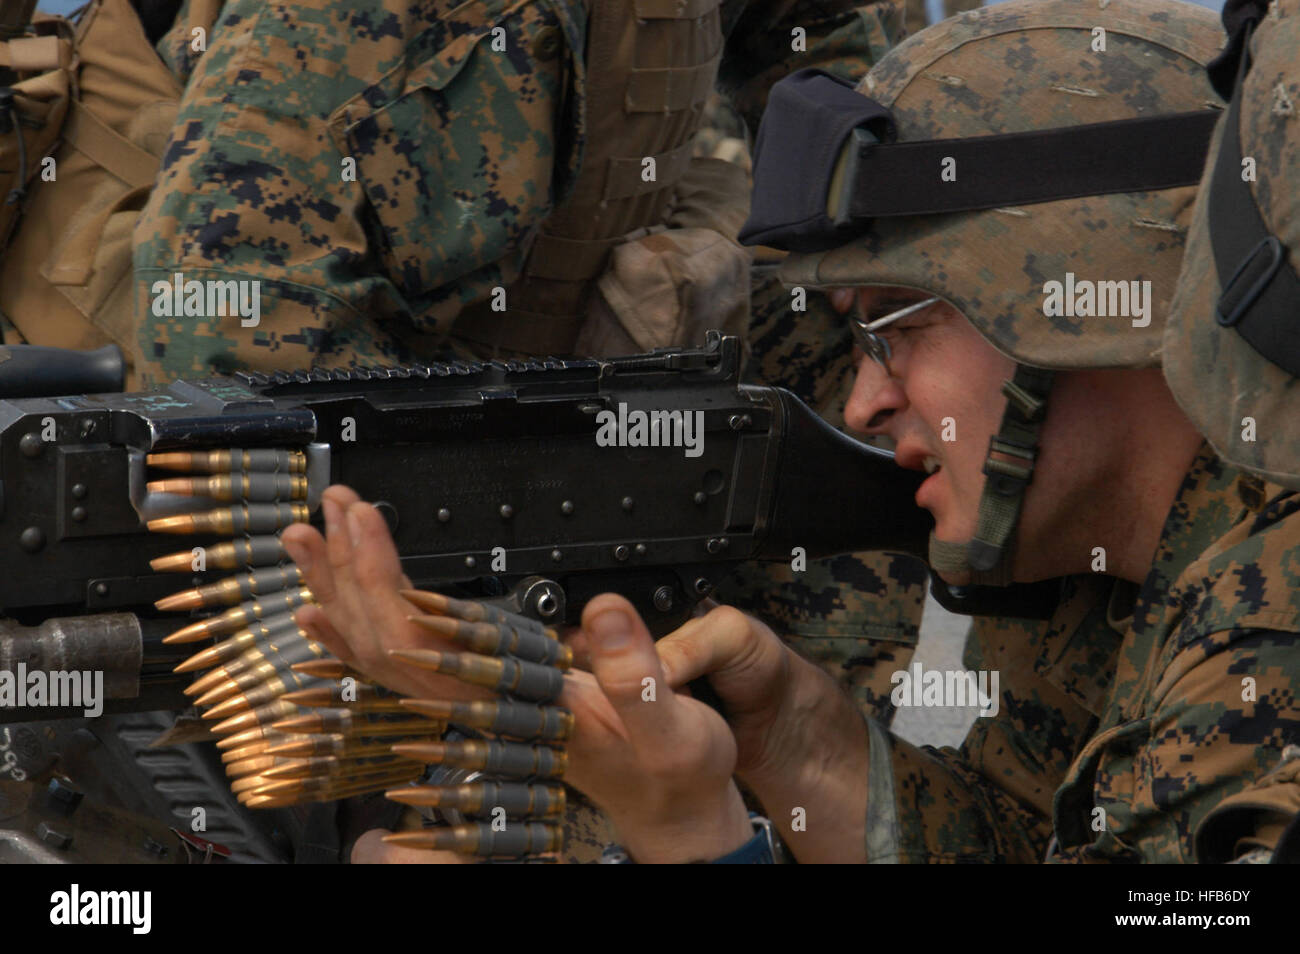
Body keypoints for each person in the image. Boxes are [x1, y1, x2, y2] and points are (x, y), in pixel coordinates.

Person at [289, 0, 1300, 863]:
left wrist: (697, 835)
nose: (863, 403)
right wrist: (797, 738)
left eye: (897, 326)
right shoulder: (1117, 575)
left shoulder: (1271, 634)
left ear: (1074, 298)